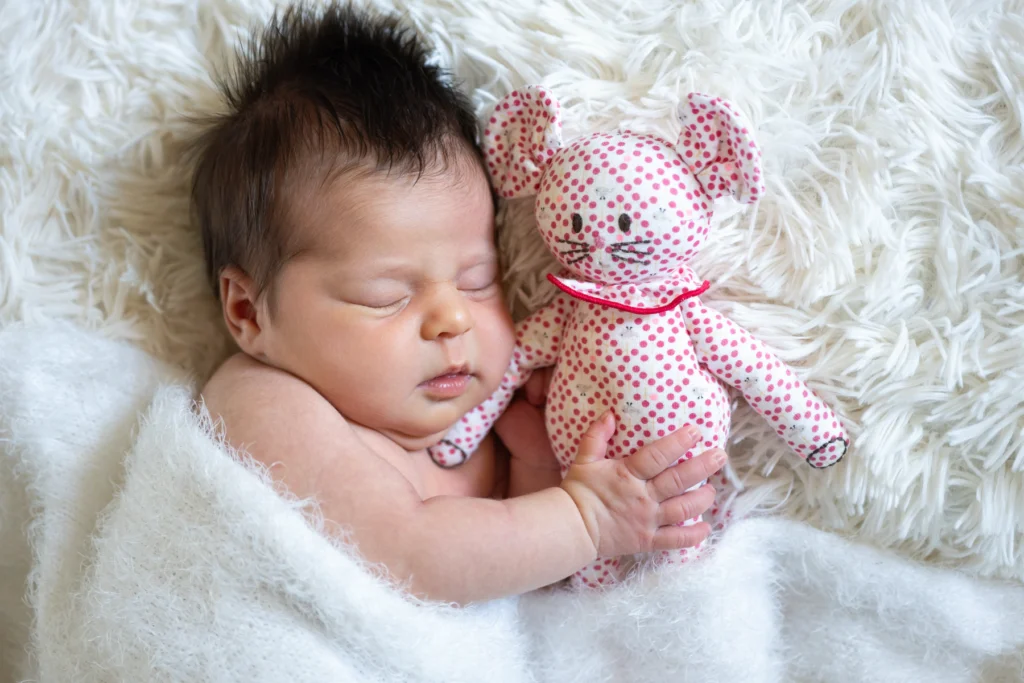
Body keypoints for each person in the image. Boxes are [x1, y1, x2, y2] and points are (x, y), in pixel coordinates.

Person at [193, 1, 725, 605]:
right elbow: (414, 559)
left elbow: (516, 579)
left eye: (477, 281)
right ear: (249, 313)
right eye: (387, 296)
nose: (453, 319)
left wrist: (534, 468)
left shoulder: (485, 433)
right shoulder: (262, 401)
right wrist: (585, 520)